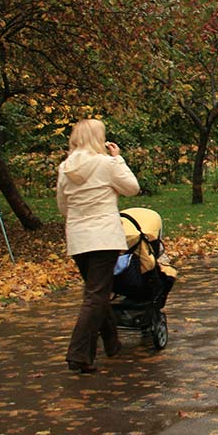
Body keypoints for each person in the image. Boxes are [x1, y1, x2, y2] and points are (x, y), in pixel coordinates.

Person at [56, 118, 140, 374]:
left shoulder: (65, 168)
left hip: (79, 237)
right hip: (103, 236)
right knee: (96, 295)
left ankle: (113, 344)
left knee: (97, 291)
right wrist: (119, 159)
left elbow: (63, 206)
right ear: (98, 138)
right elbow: (132, 189)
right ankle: (79, 354)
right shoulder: (106, 164)